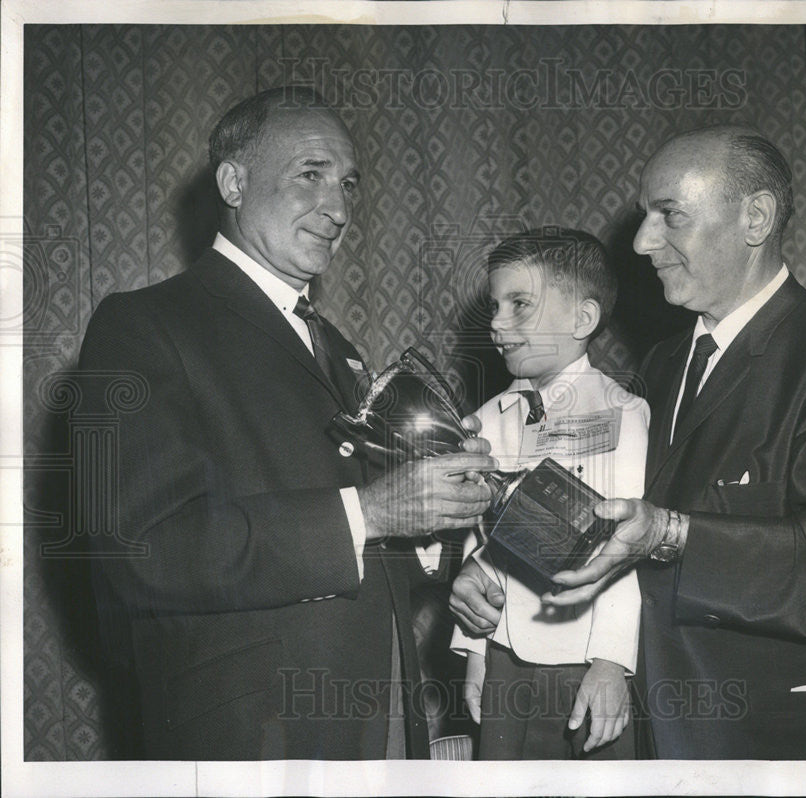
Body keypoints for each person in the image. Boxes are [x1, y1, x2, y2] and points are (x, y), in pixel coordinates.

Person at [451, 125, 806, 759]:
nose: (643, 241)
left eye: (668, 214)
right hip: (666, 727)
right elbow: (604, 519)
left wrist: (671, 533)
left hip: (788, 733)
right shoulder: (665, 362)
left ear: (755, 217)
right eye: (646, 216)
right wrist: (487, 569)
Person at [76, 86, 495, 760]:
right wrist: (374, 511)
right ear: (235, 181)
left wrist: (440, 535)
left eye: (349, 184)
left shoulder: (341, 350)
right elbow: (143, 551)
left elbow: (361, 529)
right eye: (311, 175)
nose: (338, 208)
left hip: (381, 712)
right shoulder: (146, 324)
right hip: (255, 729)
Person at [448, 229, 650, 759]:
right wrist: (474, 649)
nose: (496, 322)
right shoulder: (488, 417)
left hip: (582, 655)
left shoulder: (622, 412)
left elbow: (625, 550)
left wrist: (610, 662)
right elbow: (479, 537)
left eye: (520, 305)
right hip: (505, 651)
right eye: (495, 305)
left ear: (582, 319)